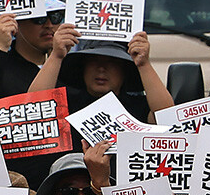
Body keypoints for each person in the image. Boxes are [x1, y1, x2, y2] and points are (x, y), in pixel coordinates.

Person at [27, 24, 173, 123]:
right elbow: (33, 108)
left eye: (112, 62)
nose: (101, 68)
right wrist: (56, 56)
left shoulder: (138, 107)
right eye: (94, 61)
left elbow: (167, 117)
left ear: (124, 70)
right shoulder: (67, 102)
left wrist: (144, 64)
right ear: (83, 67)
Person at [0, 0, 66, 114]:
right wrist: (1, 47)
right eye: (39, 18)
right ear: (15, 24)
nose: (49, 25)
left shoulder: (70, 69)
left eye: (55, 16)